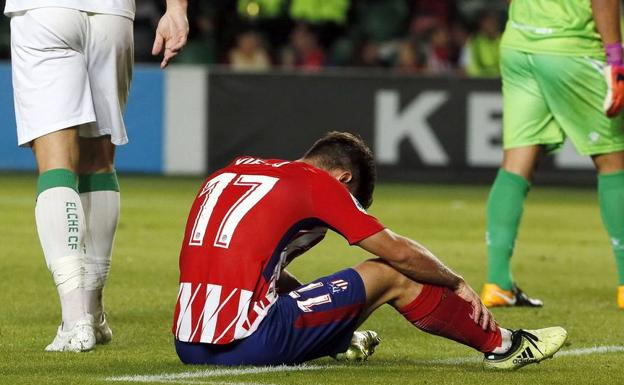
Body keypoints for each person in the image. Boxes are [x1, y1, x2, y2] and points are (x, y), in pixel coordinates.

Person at [172, 132, 567, 369]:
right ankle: (505, 346)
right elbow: (398, 254)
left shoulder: (234, 170)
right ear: (342, 178)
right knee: (390, 273)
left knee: (293, 291)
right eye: (353, 202)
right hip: (247, 342)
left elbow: (259, 276)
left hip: (188, 345)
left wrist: (334, 326)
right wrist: (454, 279)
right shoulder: (317, 184)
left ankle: (339, 342)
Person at [4, 0, 189, 352]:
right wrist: (176, 9)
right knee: (99, 161)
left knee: (57, 163)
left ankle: (75, 322)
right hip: (113, 15)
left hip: (45, 11)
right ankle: (94, 312)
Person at [480, 0, 624, 309]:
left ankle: (497, 283)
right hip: (571, 48)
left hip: (519, 45)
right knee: (613, 160)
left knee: (516, 163)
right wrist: (616, 60)